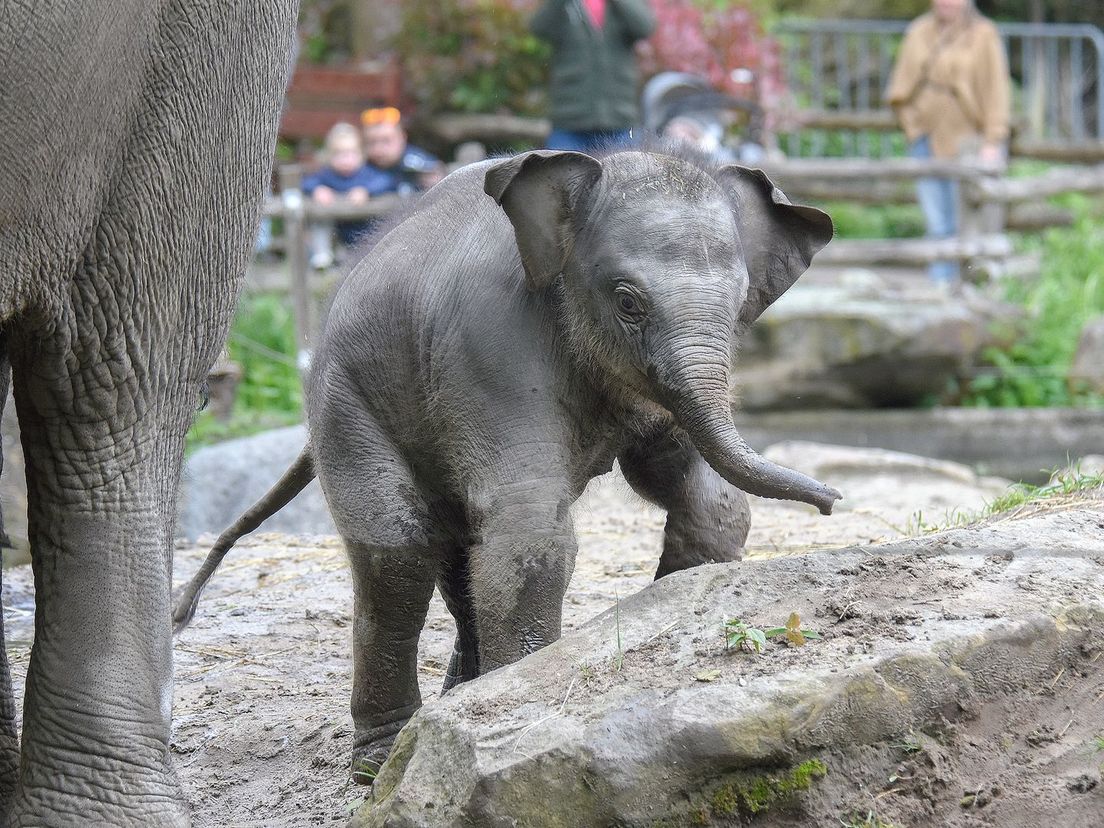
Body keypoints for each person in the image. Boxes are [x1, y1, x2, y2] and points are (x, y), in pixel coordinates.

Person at [886, 0, 1011, 285]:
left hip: (969, 140)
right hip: (926, 137)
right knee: (936, 219)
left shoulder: (983, 34)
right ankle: (940, 285)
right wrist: (912, 126)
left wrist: (993, 139)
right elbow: (900, 87)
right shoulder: (919, 31)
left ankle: (969, 285)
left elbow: (996, 91)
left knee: (967, 220)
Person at [531, 0, 656, 153]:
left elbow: (644, 27)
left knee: (628, 175)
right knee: (561, 176)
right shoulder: (566, 6)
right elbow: (539, 28)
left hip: (620, 122)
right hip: (569, 123)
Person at [301, 122, 387, 269]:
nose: (346, 160)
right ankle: (322, 255)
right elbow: (306, 182)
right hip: (335, 231)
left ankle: (348, 256)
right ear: (330, 155)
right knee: (320, 221)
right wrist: (318, 189)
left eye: (351, 154)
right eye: (340, 154)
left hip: (359, 231)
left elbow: (384, 181)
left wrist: (366, 190)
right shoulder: (327, 175)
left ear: (361, 154)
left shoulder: (366, 174)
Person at [360, 106, 444, 195]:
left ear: (402, 137)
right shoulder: (361, 165)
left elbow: (436, 170)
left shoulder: (416, 163)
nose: (378, 149)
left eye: (386, 141)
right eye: (371, 142)